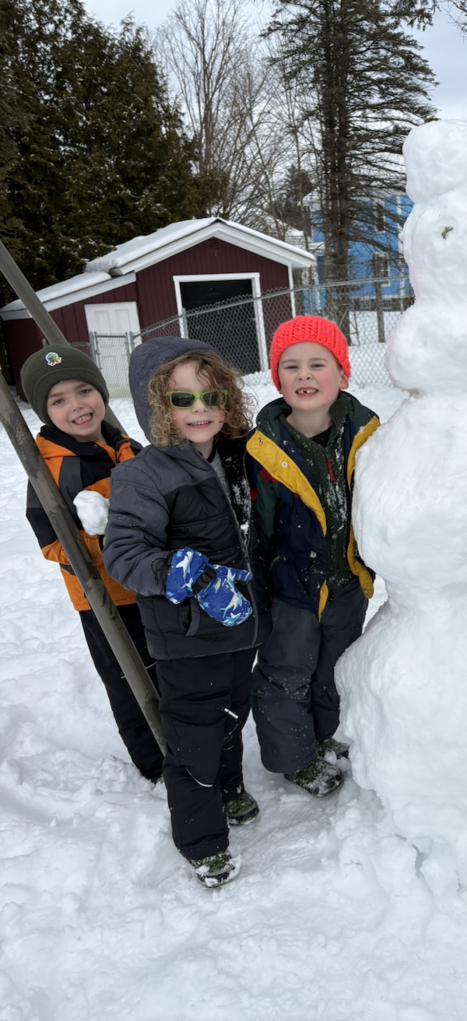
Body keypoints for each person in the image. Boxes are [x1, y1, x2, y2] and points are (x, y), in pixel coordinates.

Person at [103, 337, 269, 888]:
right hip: (188, 634)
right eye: (181, 400)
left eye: (210, 395)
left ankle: (229, 786)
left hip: (239, 625)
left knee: (232, 712)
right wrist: (186, 574)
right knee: (193, 733)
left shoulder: (233, 456)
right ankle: (201, 840)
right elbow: (124, 554)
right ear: (158, 409)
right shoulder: (143, 475)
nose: (199, 409)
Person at [247, 315, 379, 797]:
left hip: (347, 582)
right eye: (291, 366)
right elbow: (257, 526)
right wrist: (261, 585)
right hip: (291, 587)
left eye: (317, 364)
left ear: (342, 375)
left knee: (335, 668)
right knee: (287, 673)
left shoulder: (366, 434)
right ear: (276, 379)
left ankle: (328, 736)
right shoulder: (262, 448)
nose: (304, 375)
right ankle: (293, 757)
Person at [21, 343, 163, 783]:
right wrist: (103, 539)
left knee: (167, 668)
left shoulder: (125, 445)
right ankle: (155, 763)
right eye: (58, 400)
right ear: (44, 412)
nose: (77, 406)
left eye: (84, 391)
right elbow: (52, 545)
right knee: (128, 679)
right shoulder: (51, 468)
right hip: (106, 598)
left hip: (152, 582)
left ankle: (185, 739)